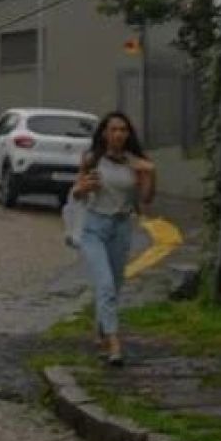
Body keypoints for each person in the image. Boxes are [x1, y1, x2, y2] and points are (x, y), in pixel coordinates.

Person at [70, 112, 156, 366]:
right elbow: (77, 193)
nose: (118, 135)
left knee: (115, 286)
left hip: (121, 227)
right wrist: (82, 188)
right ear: (105, 134)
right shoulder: (92, 160)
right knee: (105, 284)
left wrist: (151, 173)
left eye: (123, 130)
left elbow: (146, 199)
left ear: (128, 134)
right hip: (94, 227)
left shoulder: (135, 163)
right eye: (113, 130)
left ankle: (100, 331)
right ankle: (114, 344)